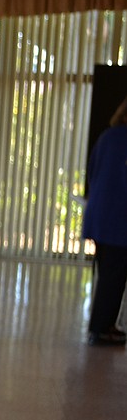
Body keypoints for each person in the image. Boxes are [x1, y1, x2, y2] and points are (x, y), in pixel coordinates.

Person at [83, 95, 127, 346]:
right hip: (117, 220)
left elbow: (92, 172)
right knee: (114, 276)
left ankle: (104, 325)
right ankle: (101, 329)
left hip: (100, 216)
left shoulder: (107, 137)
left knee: (108, 274)